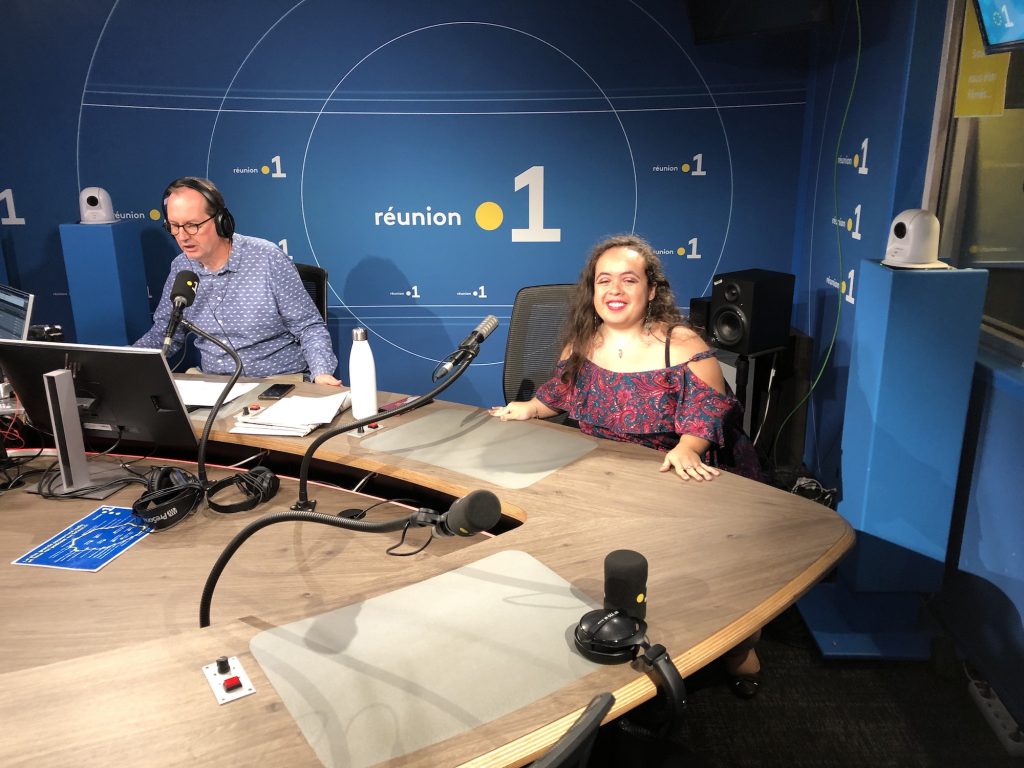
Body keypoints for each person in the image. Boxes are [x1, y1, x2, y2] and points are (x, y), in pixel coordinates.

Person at [490, 233, 764, 696]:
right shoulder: (583, 342)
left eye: (628, 280)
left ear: (651, 291)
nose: (615, 291)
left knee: (691, 586)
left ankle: (735, 645)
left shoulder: (680, 345)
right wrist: (530, 408)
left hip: (678, 477)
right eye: (604, 281)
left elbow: (709, 412)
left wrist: (688, 447)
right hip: (608, 478)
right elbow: (558, 392)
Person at [134, 177, 341, 385]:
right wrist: (121, 364)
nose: (182, 236)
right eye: (174, 226)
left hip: (276, 384)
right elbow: (165, 333)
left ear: (221, 221)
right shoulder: (181, 267)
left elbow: (308, 327)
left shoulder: (266, 257)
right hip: (215, 388)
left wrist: (321, 373)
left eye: (192, 225)